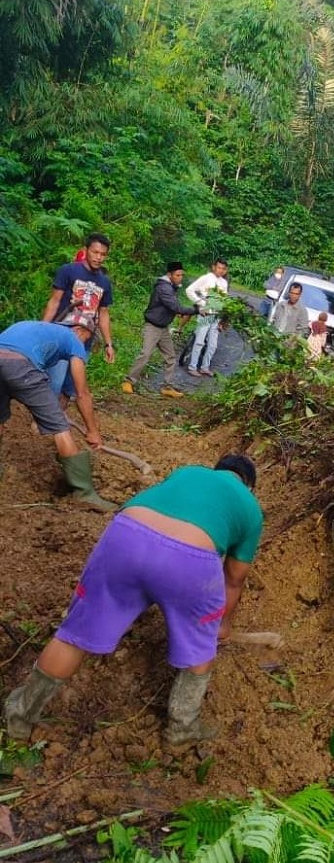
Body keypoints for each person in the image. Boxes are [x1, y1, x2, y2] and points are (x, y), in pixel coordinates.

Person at [4, 453, 263, 746]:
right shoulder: (250, 506)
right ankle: (182, 729)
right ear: (248, 485)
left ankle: (20, 717)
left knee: (73, 635)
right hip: (190, 560)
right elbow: (234, 579)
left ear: (217, 470)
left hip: (125, 536)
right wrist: (221, 626)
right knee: (199, 648)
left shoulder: (189, 471)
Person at [0, 318, 113, 510]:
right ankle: (85, 493)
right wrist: (92, 430)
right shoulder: (73, 339)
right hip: (20, 366)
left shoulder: (37, 326)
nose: (84, 344)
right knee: (60, 427)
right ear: (79, 329)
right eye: (87, 338)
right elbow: (82, 392)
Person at [42, 234, 115, 398]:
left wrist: (108, 344)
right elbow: (54, 301)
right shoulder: (68, 271)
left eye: (103, 254)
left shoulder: (104, 282)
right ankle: (43, 421)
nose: (98, 257)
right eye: (95, 252)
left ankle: (57, 418)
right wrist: (42, 329)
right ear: (86, 250)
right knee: (54, 381)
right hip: (61, 335)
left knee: (71, 386)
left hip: (84, 341)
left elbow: (103, 313)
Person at [122, 262, 197, 399]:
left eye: (182, 275)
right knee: (145, 354)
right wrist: (196, 310)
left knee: (171, 357)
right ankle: (128, 381)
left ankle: (167, 387)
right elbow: (175, 306)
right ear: (169, 275)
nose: (180, 277)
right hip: (153, 326)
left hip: (163, 328)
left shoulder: (172, 287)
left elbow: (172, 307)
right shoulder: (164, 288)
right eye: (177, 275)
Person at [185, 260, 229, 377]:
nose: (221, 270)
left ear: (226, 270)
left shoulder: (224, 283)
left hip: (216, 316)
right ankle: (192, 367)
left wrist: (224, 318)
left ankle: (205, 367)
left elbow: (224, 300)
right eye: (219, 268)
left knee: (212, 344)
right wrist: (201, 303)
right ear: (214, 267)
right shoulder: (206, 278)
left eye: (223, 269)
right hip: (205, 314)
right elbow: (189, 290)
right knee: (199, 341)